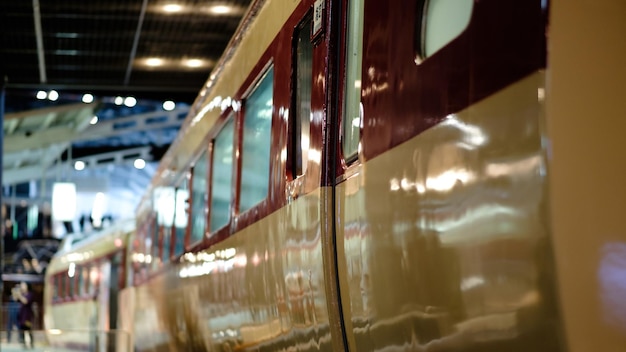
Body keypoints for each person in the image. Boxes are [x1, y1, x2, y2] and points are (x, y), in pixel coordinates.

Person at [15, 282, 34, 349]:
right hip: (21, 315)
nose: (22, 287)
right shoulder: (22, 294)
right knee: (22, 330)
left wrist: (20, 295)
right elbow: (16, 300)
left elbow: (25, 301)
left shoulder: (30, 294)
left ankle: (31, 344)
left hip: (27, 316)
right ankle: (24, 344)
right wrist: (16, 293)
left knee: (28, 329)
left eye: (23, 285)